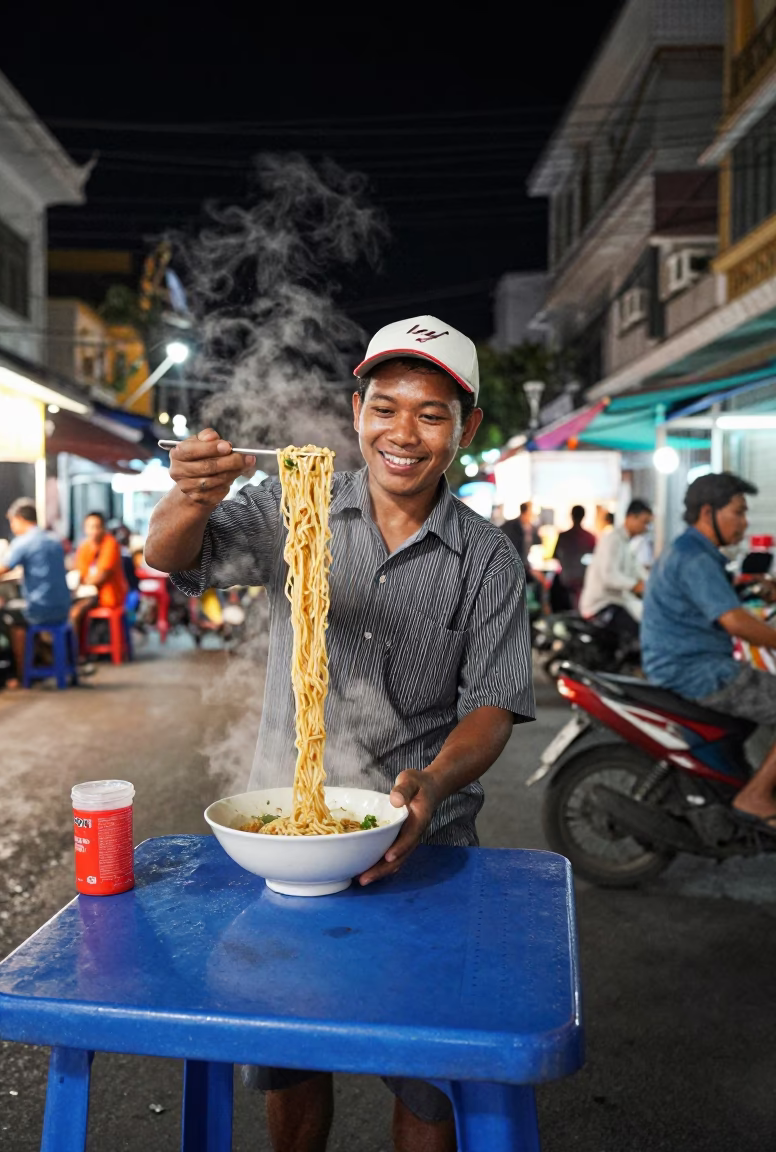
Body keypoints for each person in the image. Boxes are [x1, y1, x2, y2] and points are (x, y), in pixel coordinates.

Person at [145, 314, 535, 1152]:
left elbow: (494, 705)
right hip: (296, 834)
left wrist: (431, 786)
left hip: (425, 842)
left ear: (464, 430)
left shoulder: (488, 560)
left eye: (432, 414)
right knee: (290, 1056)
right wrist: (189, 496)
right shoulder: (297, 502)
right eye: (385, 406)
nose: (404, 433)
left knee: (428, 1080)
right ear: (356, 410)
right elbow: (172, 556)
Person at [642, 473, 776, 833]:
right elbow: (733, 621)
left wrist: (757, 589)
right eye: (739, 512)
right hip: (697, 670)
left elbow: (721, 600)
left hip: (682, 664)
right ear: (707, 512)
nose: (745, 523)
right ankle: (756, 796)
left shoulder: (692, 550)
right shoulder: (695, 558)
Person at [0, 499, 72, 688]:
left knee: (3, 614)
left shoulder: (24, 541)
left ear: (19, 519)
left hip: (41, 608)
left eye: (12, 522)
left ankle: (22, 672)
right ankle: (41, 658)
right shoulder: (53, 538)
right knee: (17, 611)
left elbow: (0, 569)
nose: (12, 526)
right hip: (63, 607)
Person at [579, 499, 653, 646]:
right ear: (631, 517)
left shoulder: (626, 544)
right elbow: (609, 576)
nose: (646, 528)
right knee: (638, 632)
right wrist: (635, 585)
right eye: (644, 522)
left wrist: (653, 584)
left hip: (618, 601)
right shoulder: (612, 540)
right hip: (602, 604)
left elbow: (637, 570)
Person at [71, 512, 129, 636]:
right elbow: (80, 573)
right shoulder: (84, 547)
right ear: (85, 528)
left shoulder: (110, 544)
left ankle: (75, 653)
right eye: (90, 527)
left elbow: (100, 576)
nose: (94, 531)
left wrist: (85, 581)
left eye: (97, 527)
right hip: (89, 594)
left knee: (75, 613)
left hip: (108, 596)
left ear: (103, 528)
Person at [550, 504, 595, 612]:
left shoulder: (563, 536)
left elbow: (555, 555)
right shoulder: (590, 537)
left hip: (565, 580)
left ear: (571, 516)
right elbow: (594, 559)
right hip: (583, 580)